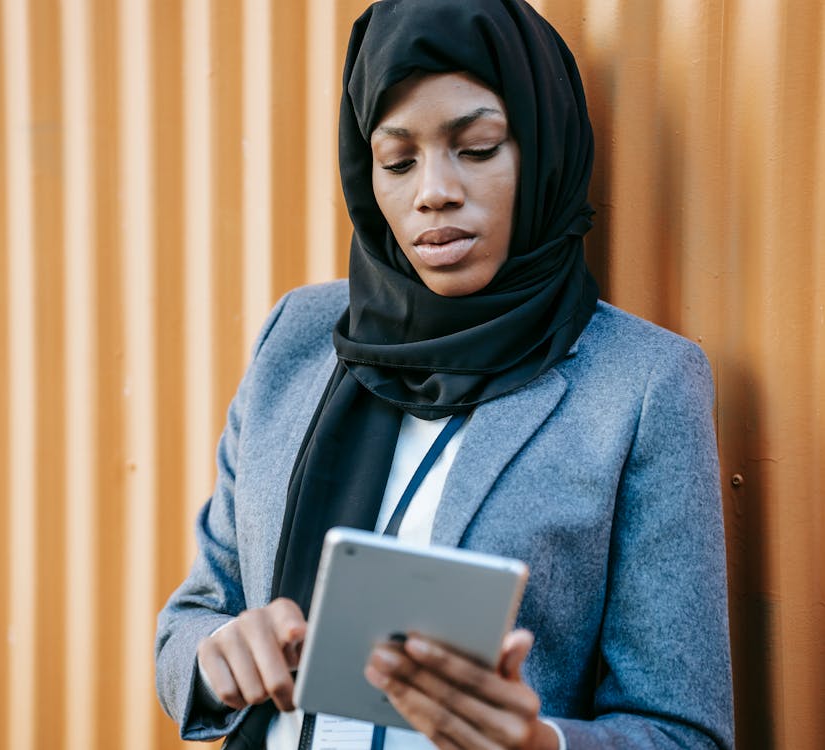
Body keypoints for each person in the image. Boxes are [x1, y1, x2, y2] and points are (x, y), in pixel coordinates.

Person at [155, 1, 734, 748]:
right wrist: (215, 658)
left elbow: (683, 732)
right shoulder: (297, 339)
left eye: (478, 147)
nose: (432, 191)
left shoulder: (642, 385)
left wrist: (540, 746)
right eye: (397, 161)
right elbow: (193, 615)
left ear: (543, 150)